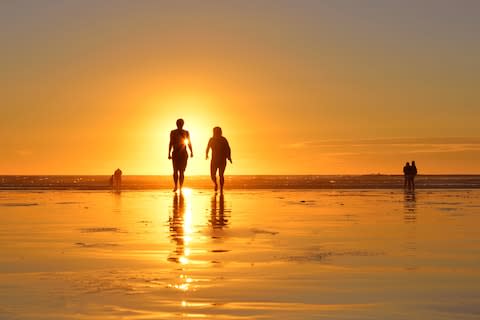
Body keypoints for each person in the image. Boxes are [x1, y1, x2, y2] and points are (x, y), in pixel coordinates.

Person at [168, 119, 193, 192]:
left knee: (181, 171)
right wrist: (169, 153)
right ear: (177, 124)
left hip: (183, 153)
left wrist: (191, 151)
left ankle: (180, 187)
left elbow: (188, 142)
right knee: (176, 171)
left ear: (182, 124)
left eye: (180, 123)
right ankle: (176, 186)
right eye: (178, 123)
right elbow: (171, 142)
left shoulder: (186, 132)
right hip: (176, 153)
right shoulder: (173, 132)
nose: (179, 124)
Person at [206, 126, 232, 193]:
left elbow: (228, 148)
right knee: (212, 175)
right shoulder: (211, 139)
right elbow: (208, 147)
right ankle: (215, 184)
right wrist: (206, 154)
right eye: (216, 131)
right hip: (214, 160)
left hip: (222, 160)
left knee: (221, 175)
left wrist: (229, 157)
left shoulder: (223, 139)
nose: (217, 133)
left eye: (218, 131)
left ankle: (221, 189)